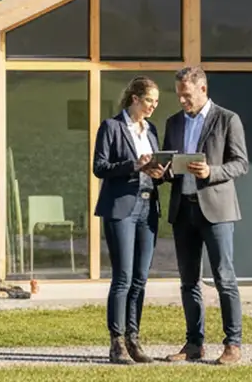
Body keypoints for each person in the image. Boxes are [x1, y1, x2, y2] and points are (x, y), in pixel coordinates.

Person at [159, 66, 249, 366]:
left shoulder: (227, 119)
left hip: (217, 210)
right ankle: (194, 344)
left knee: (224, 278)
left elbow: (240, 164)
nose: (182, 101)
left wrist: (212, 171)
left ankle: (232, 344)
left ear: (203, 89)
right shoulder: (173, 123)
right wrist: (162, 172)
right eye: (179, 96)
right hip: (183, 210)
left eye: (187, 95)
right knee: (188, 282)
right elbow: (169, 163)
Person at [92, 76, 167, 365]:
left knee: (140, 279)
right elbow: (100, 167)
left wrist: (158, 173)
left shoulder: (151, 130)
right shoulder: (111, 127)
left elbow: (154, 168)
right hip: (121, 208)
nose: (153, 106)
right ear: (134, 98)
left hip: (148, 208)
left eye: (156, 101)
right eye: (149, 100)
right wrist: (134, 165)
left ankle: (134, 340)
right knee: (122, 278)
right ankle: (117, 343)